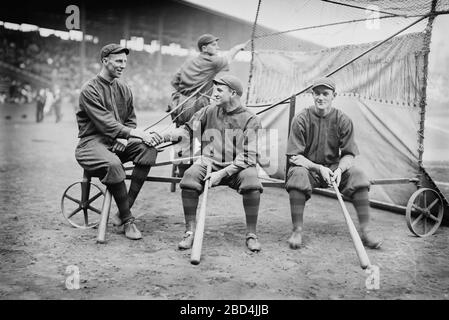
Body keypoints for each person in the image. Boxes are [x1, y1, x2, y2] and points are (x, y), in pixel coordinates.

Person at [159, 75, 264, 252]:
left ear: (232, 93)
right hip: (209, 163)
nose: (214, 94)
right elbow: (187, 131)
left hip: (238, 167)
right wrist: (164, 137)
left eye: (219, 90)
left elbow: (249, 156)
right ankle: (190, 232)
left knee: (252, 184)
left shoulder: (251, 119)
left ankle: (251, 234)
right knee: (189, 178)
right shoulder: (208, 110)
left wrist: (221, 174)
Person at [75, 43, 163, 240]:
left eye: (125, 61)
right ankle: (128, 219)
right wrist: (130, 134)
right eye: (118, 61)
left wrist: (125, 139)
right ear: (105, 61)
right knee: (114, 164)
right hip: (91, 143)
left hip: (117, 141)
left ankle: (124, 208)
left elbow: (131, 119)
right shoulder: (89, 90)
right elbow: (106, 124)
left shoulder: (124, 88)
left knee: (148, 149)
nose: (123, 65)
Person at [285, 77, 383, 250]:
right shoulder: (301, 119)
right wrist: (317, 168)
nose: (320, 97)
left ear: (333, 95)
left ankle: (367, 231)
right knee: (297, 174)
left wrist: (339, 169)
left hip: (333, 171)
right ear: (312, 95)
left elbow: (349, 155)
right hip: (309, 169)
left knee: (358, 176)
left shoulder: (343, 120)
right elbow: (294, 157)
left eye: (325, 93)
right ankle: (297, 230)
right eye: (317, 93)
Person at [169, 34, 249, 177]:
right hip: (196, 105)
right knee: (205, 138)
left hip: (179, 104)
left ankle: (182, 174)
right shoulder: (212, 61)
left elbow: (174, 81)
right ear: (204, 48)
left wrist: (186, 91)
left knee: (183, 138)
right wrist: (237, 48)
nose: (217, 48)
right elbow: (228, 58)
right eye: (214, 45)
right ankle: (200, 173)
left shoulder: (189, 61)